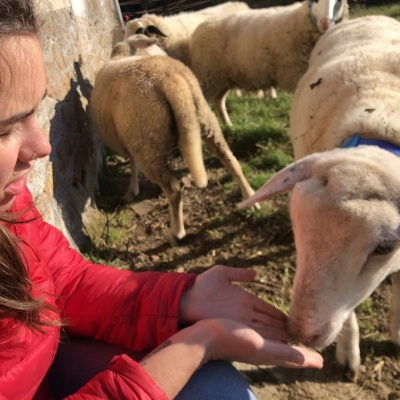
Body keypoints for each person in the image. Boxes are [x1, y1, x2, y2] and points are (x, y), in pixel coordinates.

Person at [0, 1, 323, 399]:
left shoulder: (8, 210)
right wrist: (197, 345)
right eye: (4, 131)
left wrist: (184, 298)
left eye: (36, 112)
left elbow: (63, 280)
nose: (44, 146)